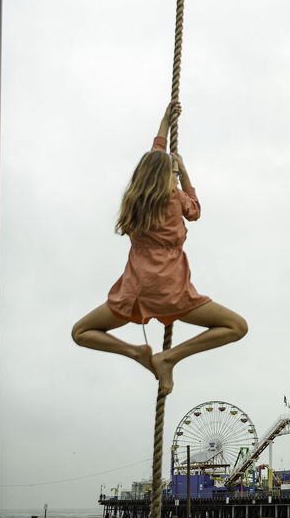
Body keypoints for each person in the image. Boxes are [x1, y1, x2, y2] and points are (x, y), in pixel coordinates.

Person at [72, 101, 248, 395]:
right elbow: (195, 211)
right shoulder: (174, 197)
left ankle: (135, 352)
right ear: (169, 178)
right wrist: (185, 173)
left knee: (81, 332)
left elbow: (155, 156)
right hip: (170, 291)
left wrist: (165, 122)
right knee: (236, 326)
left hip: (135, 292)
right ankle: (170, 356)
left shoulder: (134, 201)